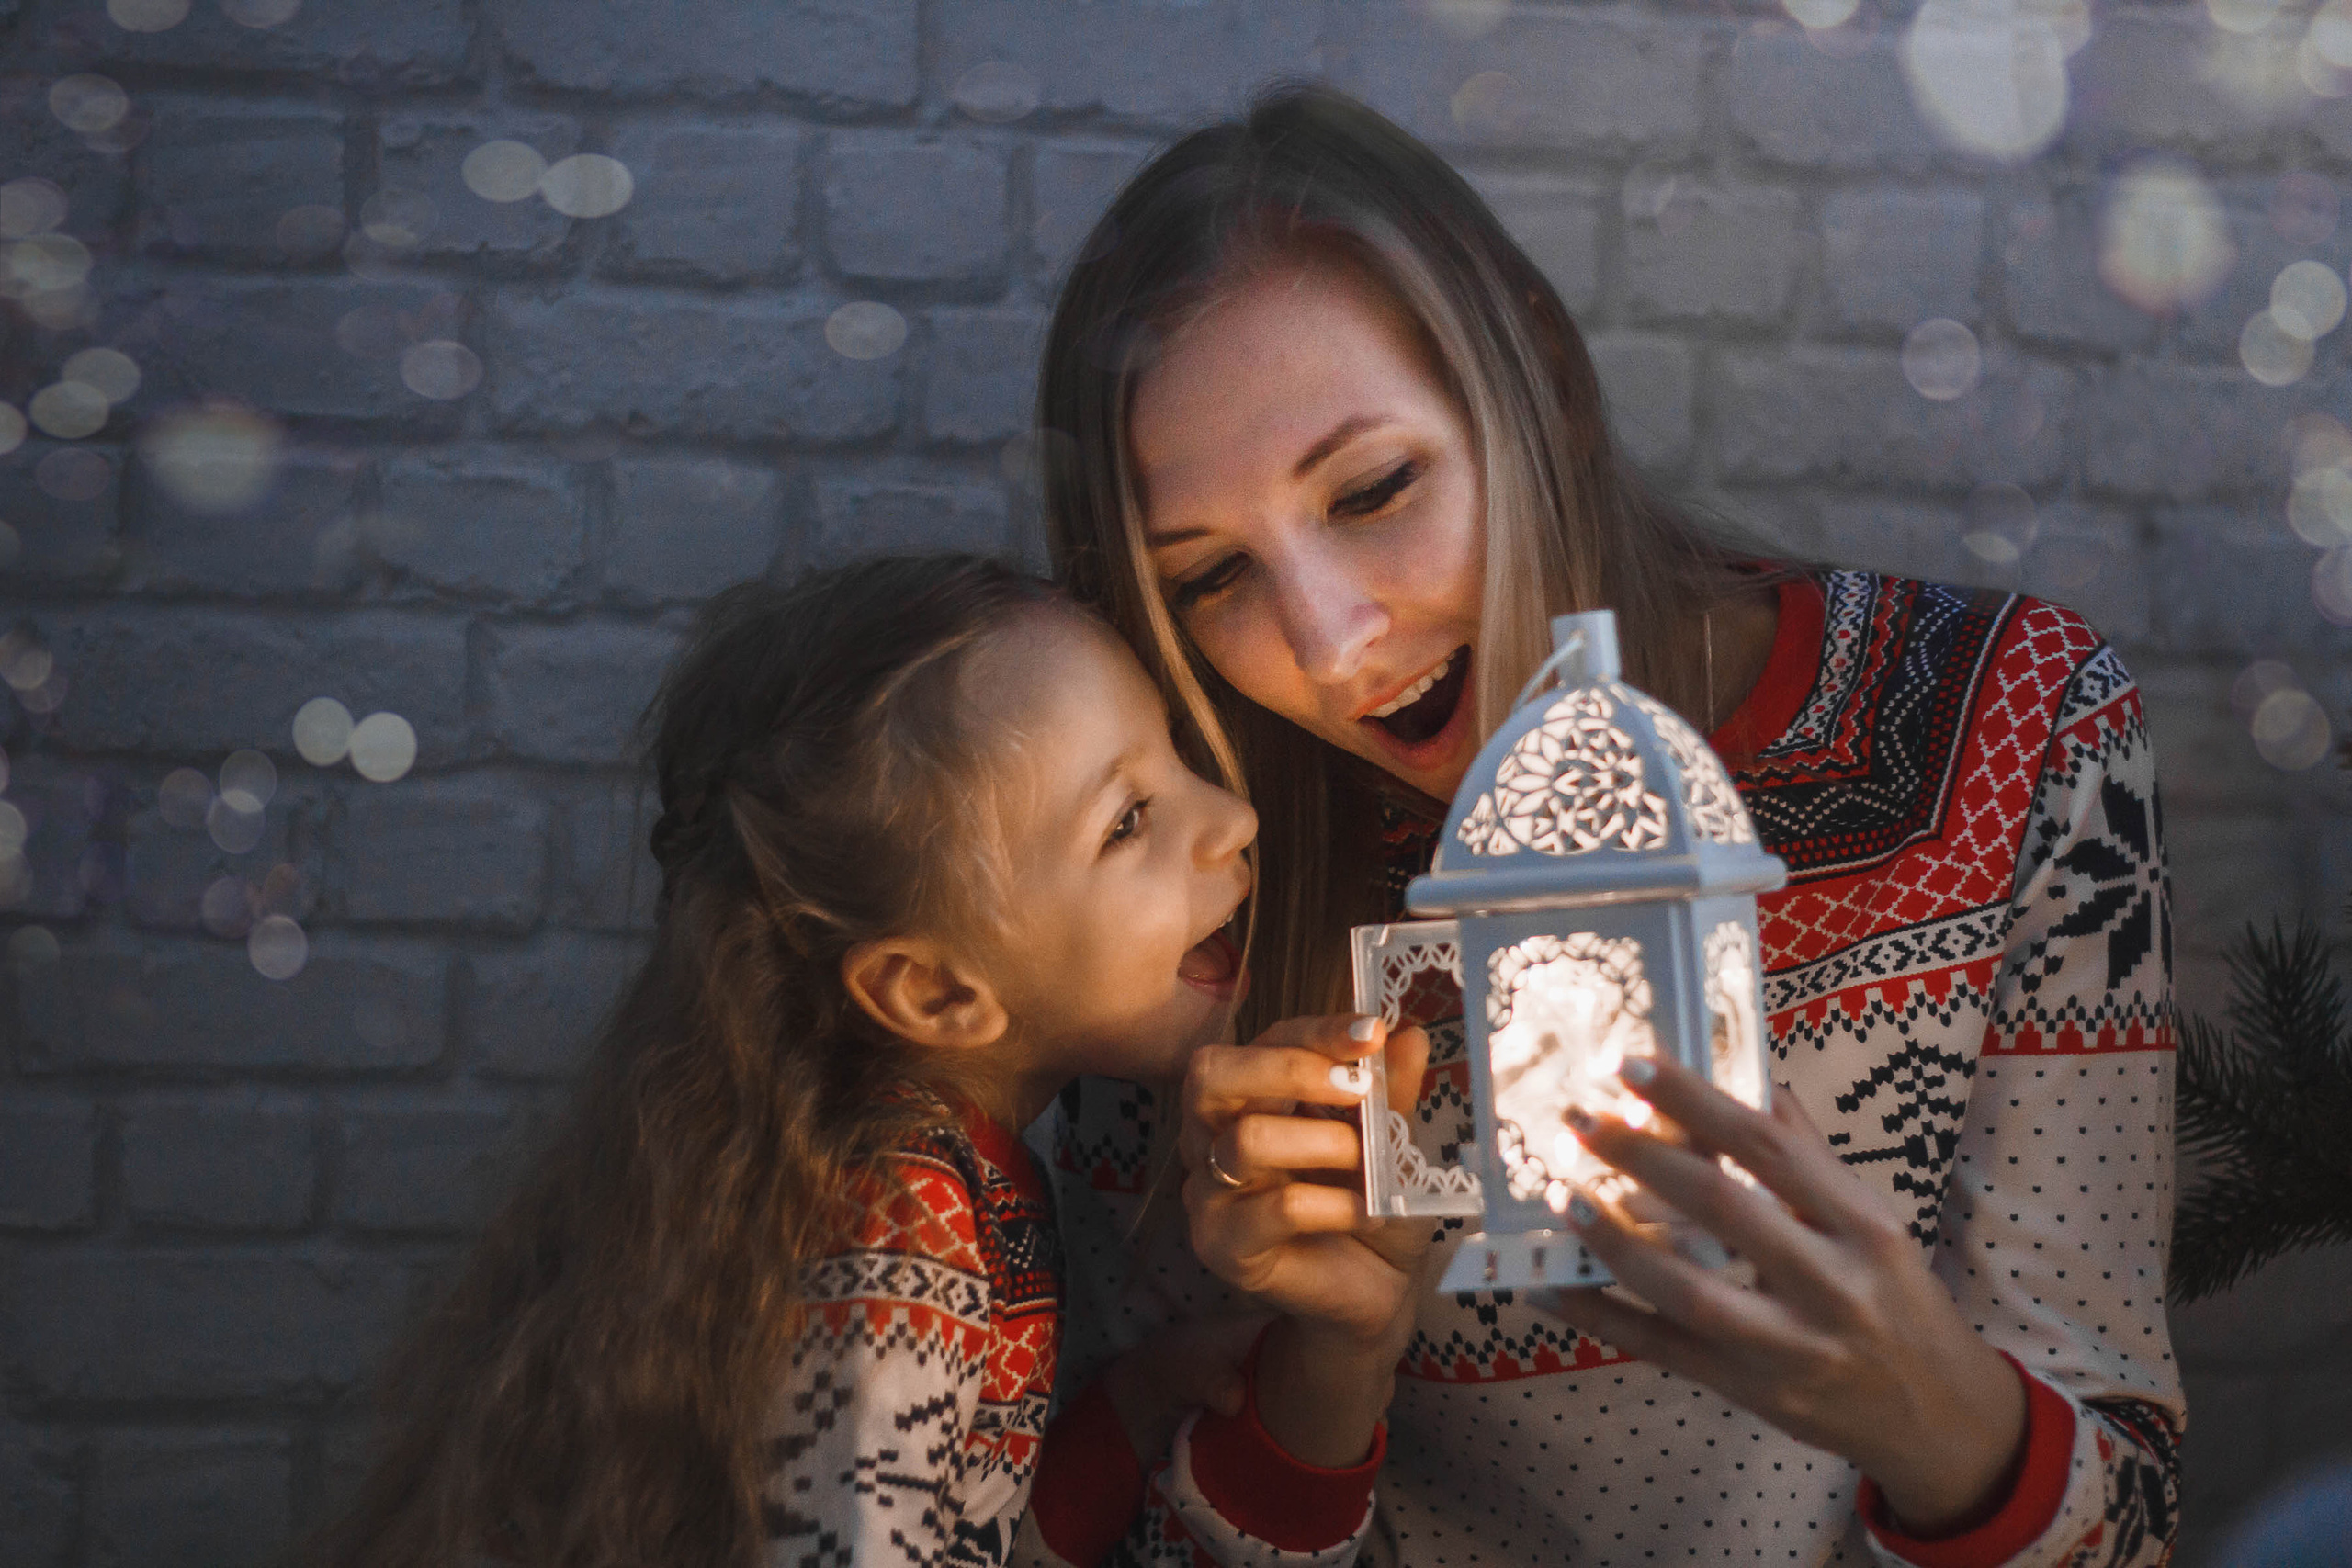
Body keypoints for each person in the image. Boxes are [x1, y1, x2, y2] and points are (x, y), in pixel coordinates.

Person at [1038, 85, 2183, 1566]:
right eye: (1210, 576)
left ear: (1547, 388)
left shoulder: (2007, 728)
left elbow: (2133, 1507)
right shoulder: (1197, 882)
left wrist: (1932, 1413)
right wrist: (1317, 1382)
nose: (1327, 643)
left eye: (1375, 488)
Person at [302, 555, 1422, 1568]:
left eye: (1179, 762)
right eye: (1127, 820)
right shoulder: (904, 1216)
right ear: (934, 992)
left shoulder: (953, 1175)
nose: (1230, 818)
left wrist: (1125, 1414)